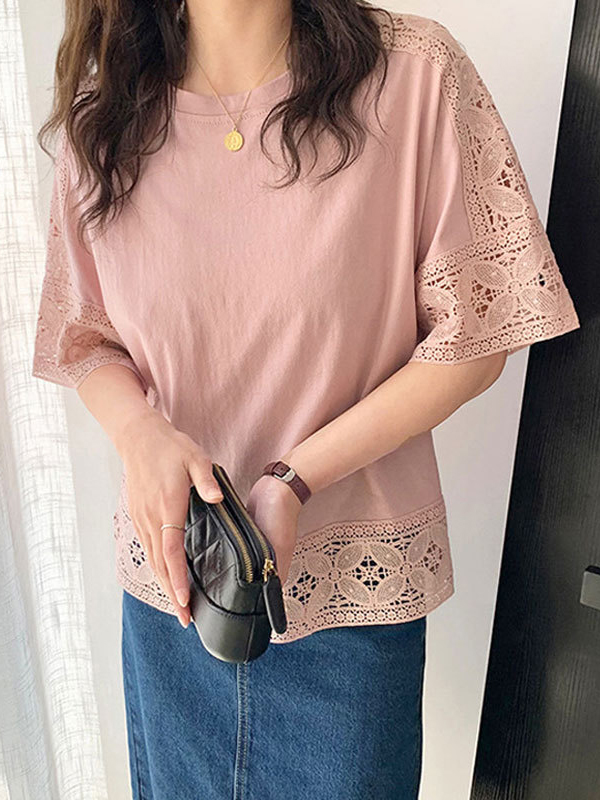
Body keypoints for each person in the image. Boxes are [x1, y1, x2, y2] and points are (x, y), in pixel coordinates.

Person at [31, 1, 581, 798]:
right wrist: (141, 435)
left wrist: (294, 478)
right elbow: (86, 337)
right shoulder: (108, 108)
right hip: (174, 594)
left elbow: (478, 335)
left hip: (350, 609)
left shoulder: (414, 76)